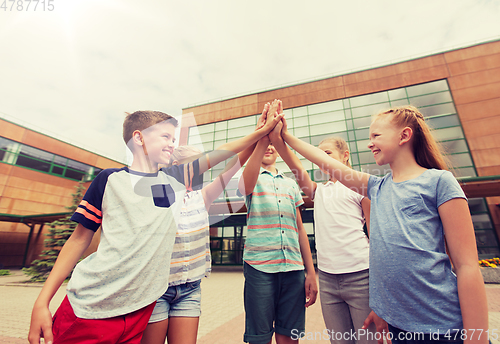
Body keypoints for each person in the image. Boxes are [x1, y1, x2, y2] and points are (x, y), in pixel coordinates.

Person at [28, 108, 283, 344]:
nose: (172, 143)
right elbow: (78, 240)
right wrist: (42, 301)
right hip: (91, 305)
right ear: (138, 138)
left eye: (174, 139)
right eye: (165, 137)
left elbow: (225, 157)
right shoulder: (109, 180)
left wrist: (261, 133)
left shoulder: (171, 183)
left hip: (143, 304)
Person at [279, 104, 488, 344]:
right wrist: (284, 136)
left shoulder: (439, 182)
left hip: (442, 328)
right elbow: (323, 162)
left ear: (405, 135)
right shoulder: (376, 188)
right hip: (399, 328)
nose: (369, 143)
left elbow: (468, 267)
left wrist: (477, 338)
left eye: (376, 136)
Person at [141, 106, 271, 344]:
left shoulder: (202, 196)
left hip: (190, 289)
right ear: (174, 166)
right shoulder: (157, 193)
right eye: (196, 164)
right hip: (156, 290)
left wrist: (259, 134)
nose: (203, 170)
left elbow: (233, 165)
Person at [269, 109, 382, 344]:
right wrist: (278, 133)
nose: (322, 160)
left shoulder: (361, 188)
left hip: (362, 276)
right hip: (329, 280)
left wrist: (382, 293)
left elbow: (377, 240)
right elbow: (293, 162)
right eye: (318, 156)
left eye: (328, 153)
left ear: (345, 156)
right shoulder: (317, 191)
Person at [237, 99, 318, 344]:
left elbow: (300, 229)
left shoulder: (291, 183)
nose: (270, 147)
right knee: (259, 338)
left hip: (293, 269)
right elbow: (246, 184)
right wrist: (263, 135)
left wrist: (310, 271)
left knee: (289, 335)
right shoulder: (250, 176)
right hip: (260, 268)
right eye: (266, 145)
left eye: (274, 144)